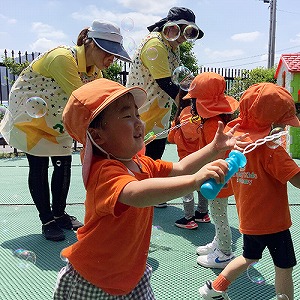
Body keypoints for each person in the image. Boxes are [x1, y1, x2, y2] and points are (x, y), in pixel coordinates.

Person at [53, 78, 244, 299]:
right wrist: (194, 182)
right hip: (95, 278)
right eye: (127, 116)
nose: (138, 122)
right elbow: (136, 193)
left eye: (137, 114)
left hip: (132, 273)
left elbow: (181, 167)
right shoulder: (104, 171)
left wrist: (213, 149)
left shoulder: (142, 163)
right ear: (98, 136)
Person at [1, 20, 131, 242]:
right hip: (31, 115)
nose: (112, 59)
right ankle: (47, 220)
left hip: (55, 118)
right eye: (108, 52)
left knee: (63, 163)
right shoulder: (63, 58)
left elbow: (99, 98)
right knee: (39, 164)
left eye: (115, 55)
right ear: (90, 44)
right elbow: (86, 100)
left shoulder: (95, 72)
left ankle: (60, 214)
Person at [199, 82, 300, 300]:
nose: (285, 128)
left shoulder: (236, 142)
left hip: (249, 219)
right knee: (284, 266)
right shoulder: (272, 150)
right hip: (275, 223)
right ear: (273, 124)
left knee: (248, 257)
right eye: (283, 123)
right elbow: (297, 181)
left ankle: (214, 287)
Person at [126, 7, 204, 207]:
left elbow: (178, 78)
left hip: (158, 109)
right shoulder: (155, 44)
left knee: (156, 150)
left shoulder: (172, 46)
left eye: (189, 32)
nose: (184, 37)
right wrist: (190, 109)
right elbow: (167, 84)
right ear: (169, 27)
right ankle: (136, 194)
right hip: (141, 107)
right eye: (181, 30)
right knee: (138, 153)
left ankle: (151, 193)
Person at [183, 72, 239, 268]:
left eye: (194, 101)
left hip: (218, 180)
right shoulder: (215, 121)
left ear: (203, 103)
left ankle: (224, 253)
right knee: (218, 214)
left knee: (219, 215)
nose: (192, 105)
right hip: (219, 179)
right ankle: (218, 243)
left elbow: (215, 156)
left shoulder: (213, 125)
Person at [167, 92, 210, 230]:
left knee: (187, 188)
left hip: (186, 161)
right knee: (201, 184)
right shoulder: (203, 116)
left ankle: (188, 218)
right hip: (200, 157)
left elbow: (171, 138)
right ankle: (203, 213)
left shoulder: (181, 118)